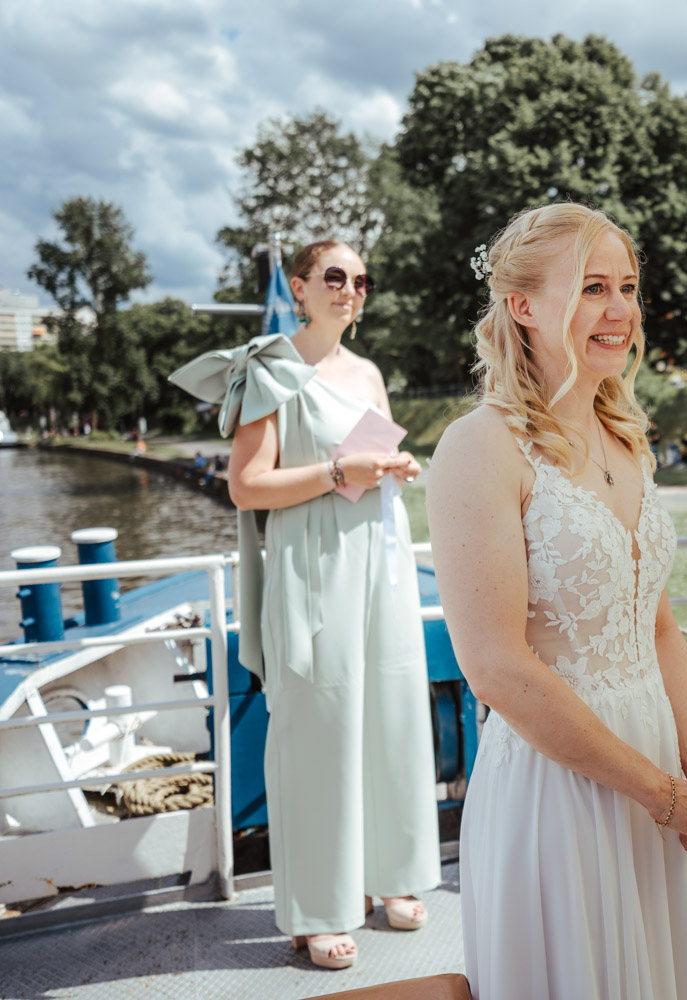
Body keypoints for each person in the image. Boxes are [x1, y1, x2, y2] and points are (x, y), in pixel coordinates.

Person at [426, 203, 687, 1000]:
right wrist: (663, 794)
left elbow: (658, 623)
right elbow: (496, 667)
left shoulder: (626, 436)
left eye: (628, 287)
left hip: (653, 765)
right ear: (523, 306)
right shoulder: (480, 447)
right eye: (594, 287)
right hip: (557, 784)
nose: (621, 311)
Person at [169, 240, 438, 971]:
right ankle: (318, 908)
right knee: (319, 733)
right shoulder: (271, 368)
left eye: (361, 279)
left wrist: (390, 467)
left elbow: (366, 467)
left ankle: (394, 877)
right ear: (300, 287)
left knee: (389, 714)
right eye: (336, 277)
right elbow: (247, 486)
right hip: (311, 563)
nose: (351, 289)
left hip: (379, 556)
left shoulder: (370, 373)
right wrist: (337, 469)